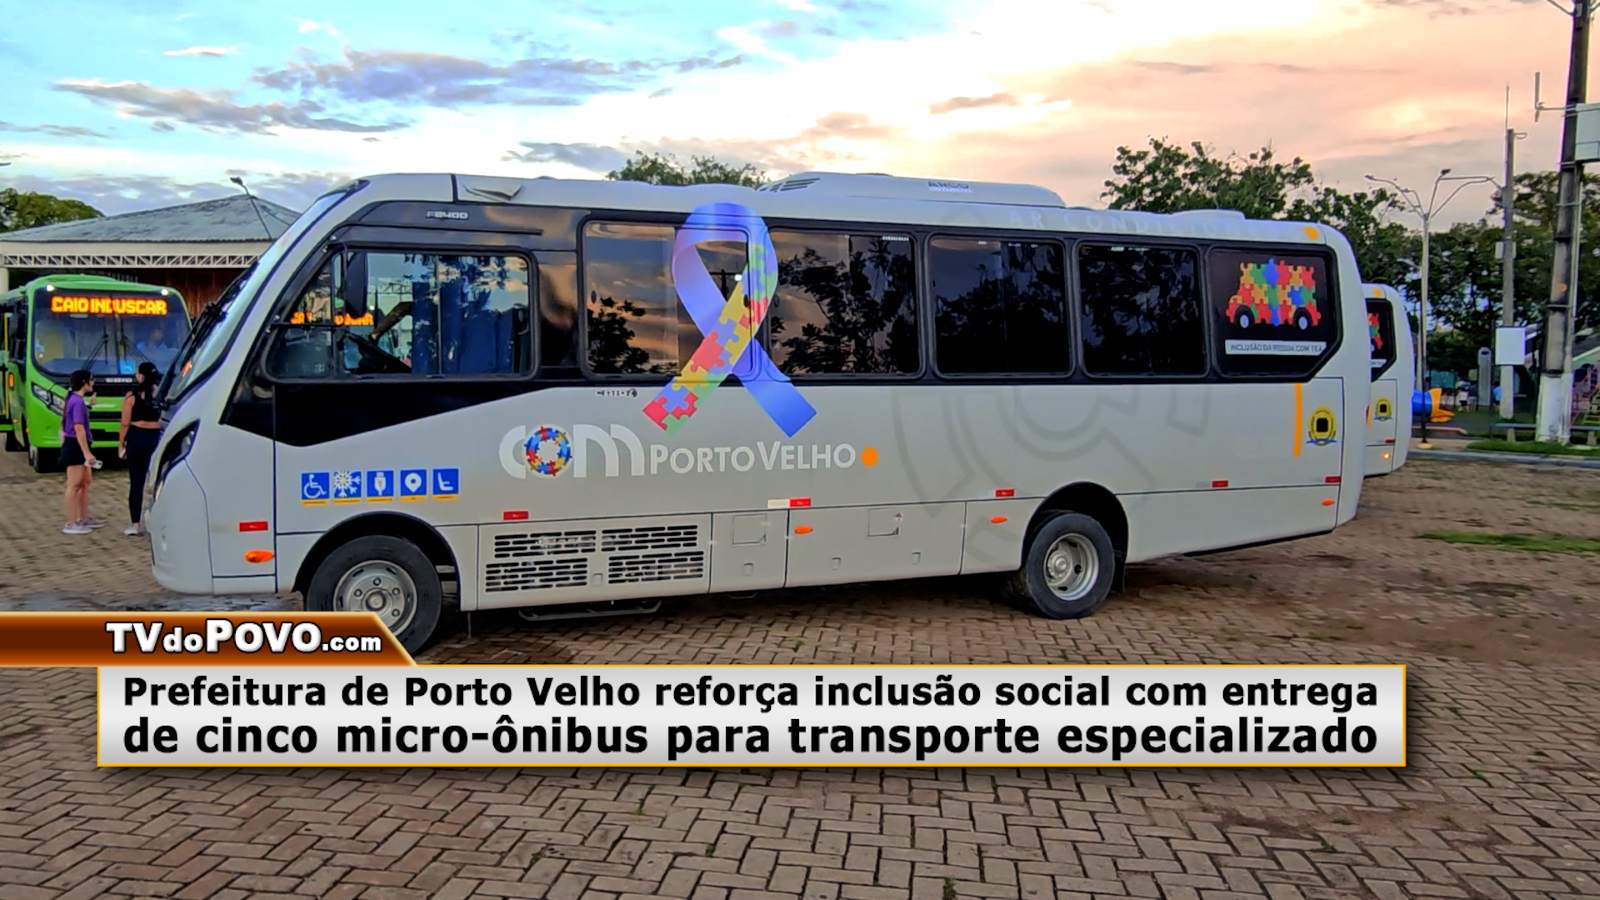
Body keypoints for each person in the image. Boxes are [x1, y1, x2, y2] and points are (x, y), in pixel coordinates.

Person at [119, 361, 162, 536]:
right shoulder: (161, 393)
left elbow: (124, 423)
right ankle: (158, 521)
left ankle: (135, 524)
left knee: (136, 482)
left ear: (141, 375)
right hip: (155, 438)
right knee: (158, 481)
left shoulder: (132, 396)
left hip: (137, 437)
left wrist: (121, 443)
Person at [60, 369, 101, 535]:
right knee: (74, 484)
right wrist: (86, 453)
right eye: (91, 379)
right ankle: (71, 522)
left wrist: (89, 405)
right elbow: (78, 428)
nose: (93, 382)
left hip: (77, 445)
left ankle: (82, 518)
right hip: (75, 445)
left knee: (84, 482)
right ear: (84, 382)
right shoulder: (76, 401)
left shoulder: (76, 400)